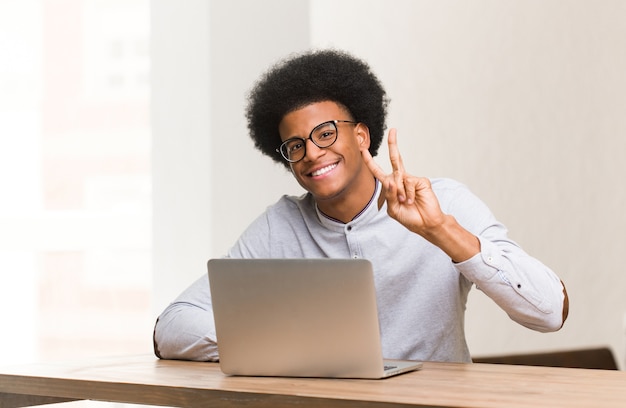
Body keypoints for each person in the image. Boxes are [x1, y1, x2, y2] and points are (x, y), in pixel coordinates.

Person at [153, 49, 568, 363]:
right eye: (296, 145)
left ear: (362, 136)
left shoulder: (445, 202)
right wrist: (291, 349)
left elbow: (549, 311)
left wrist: (441, 231)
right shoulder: (280, 224)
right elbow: (171, 328)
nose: (312, 153)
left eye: (326, 133)